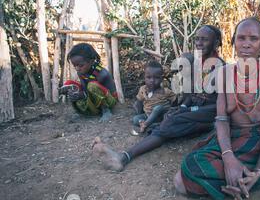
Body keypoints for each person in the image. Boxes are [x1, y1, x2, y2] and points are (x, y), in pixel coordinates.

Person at [173, 17, 260, 200]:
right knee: (183, 177)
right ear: (234, 42)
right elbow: (222, 120)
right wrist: (228, 158)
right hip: (228, 136)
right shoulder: (224, 73)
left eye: (253, 39)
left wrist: (258, 168)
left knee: (183, 182)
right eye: (241, 38)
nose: (247, 44)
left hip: (256, 140)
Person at [93, 25, 225, 171]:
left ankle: (124, 157)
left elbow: (219, 106)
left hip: (209, 115)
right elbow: (191, 96)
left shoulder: (221, 69)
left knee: (169, 121)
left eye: (205, 40)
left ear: (216, 42)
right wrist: (182, 108)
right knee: (169, 116)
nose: (199, 43)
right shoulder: (196, 66)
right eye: (197, 39)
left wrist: (187, 112)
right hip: (193, 110)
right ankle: (125, 156)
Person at [63, 43, 117, 122]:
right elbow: (85, 89)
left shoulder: (102, 74)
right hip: (92, 103)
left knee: (92, 85)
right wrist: (75, 94)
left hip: (108, 102)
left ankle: (106, 111)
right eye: (75, 65)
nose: (77, 68)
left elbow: (108, 94)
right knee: (69, 84)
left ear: (91, 61)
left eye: (81, 65)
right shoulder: (81, 72)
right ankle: (80, 112)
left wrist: (83, 94)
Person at [132, 60, 176, 135]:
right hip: (147, 115)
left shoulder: (165, 91)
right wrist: (138, 110)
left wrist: (171, 110)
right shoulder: (143, 89)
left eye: (156, 78)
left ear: (161, 79)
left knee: (158, 108)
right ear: (144, 77)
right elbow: (139, 102)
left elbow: (175, 100)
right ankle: (152, 125)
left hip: (161, 116)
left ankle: (146, 125)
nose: (152, 80)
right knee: (135, 119)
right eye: (148, 77)